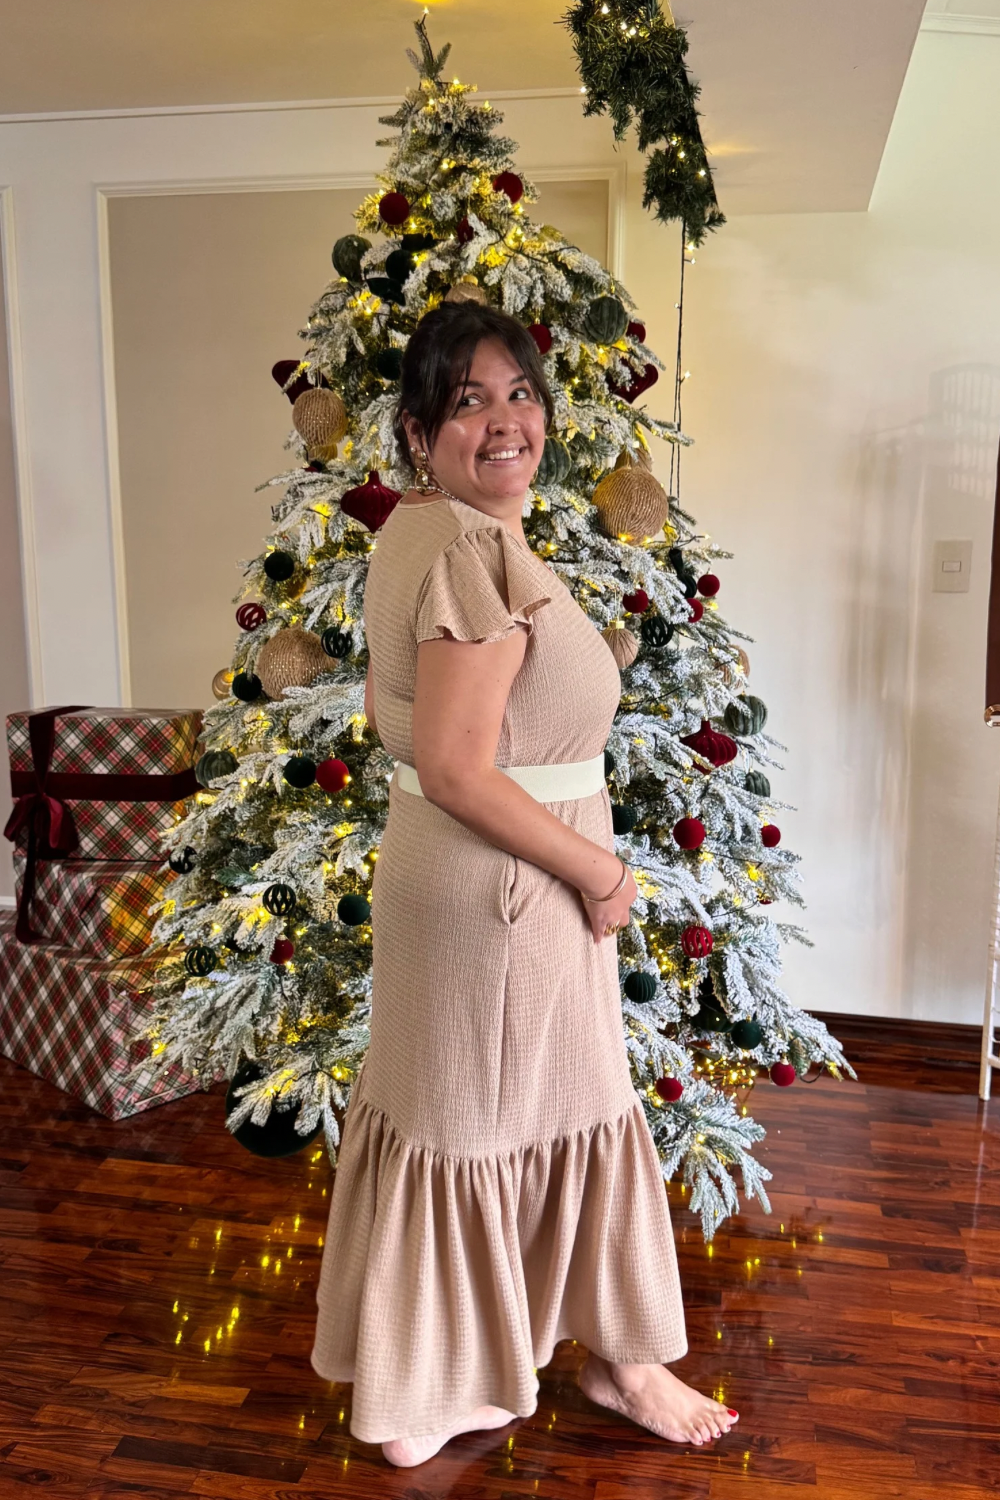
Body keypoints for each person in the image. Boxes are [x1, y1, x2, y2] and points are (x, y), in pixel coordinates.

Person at [310, 301, 738, 1467]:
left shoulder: (416, 531)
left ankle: (496, 1367)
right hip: (510, 888)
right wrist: (599, 869)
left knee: (481, 1113)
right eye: (467, 403)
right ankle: (516, 1378)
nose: (505, 423)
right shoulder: (468, 552)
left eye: (518, 395)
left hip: (456, 879)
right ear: (417, 431)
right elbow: (458, 766)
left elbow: (393, 717)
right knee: (521, 1115)